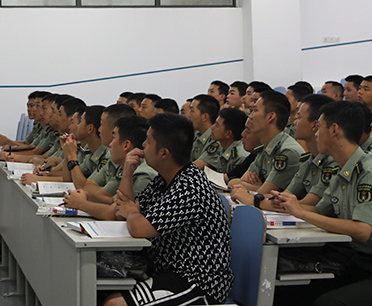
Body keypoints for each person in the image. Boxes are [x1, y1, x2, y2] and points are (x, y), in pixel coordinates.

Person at [272, 101, 372, 306]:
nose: (316, 134)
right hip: (364, 262)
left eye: (320, 127)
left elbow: (362, 230)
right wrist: (288, 204)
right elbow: (318, 210)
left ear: (334, 130)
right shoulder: (343, 170)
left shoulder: (370, 172)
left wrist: (301, 213)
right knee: (291, 293)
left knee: (329, 303)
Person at [100, 113, 232, 306]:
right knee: (103, 288)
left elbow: (139, 227)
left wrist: (132, 212)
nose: (143, 145)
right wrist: (127, 174)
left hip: (198, 281)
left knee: (115, 303)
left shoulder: (189, 187)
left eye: (148, 141)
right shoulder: (164, 179)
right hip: (167, 271)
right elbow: (123, 211)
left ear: (164, 153)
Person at [231, 94, 336, 210]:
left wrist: (254, 199)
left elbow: (307, 206)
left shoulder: (289, 152)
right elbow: (285, 197)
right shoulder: (308, 160)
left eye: (299, 117)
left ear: (315, 125)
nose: (295, 122)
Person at [64, 115, 157, 212]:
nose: (110, 144)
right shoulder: (122, 161)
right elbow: (110, 199)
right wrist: (85, 195)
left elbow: (116, 213)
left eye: (114, 138)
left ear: (126, 145)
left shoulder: (143, 175)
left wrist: (82, 204)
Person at [228, 90, 305, 195]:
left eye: (255, 110)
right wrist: (256, 187)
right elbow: (235, 183)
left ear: (270, 117)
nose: (250, 116)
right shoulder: (265, 147)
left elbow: (262, 194)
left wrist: (258, 189)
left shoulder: (288, 151)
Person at [194, 107, 247, 172]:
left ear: (228, 134)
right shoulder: (223, 147)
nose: (212, 127)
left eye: (217, 125)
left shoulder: (239, 156)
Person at [188, 95, 219, 163]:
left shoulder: (216, 139)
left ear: (205, 117)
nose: (189, 115)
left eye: (192, 111)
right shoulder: (197, 135)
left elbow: (198, 166)